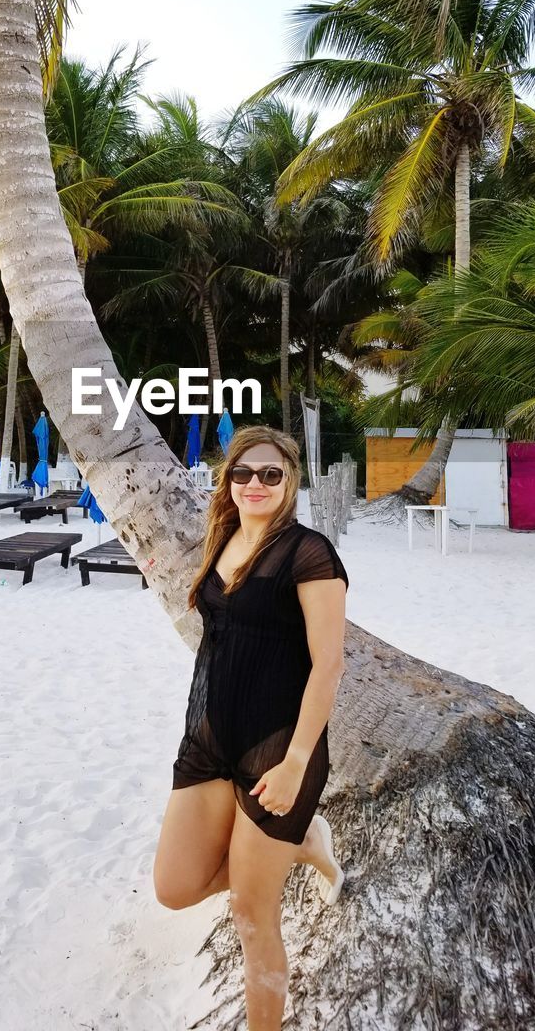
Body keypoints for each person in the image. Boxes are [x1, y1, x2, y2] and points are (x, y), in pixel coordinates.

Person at [153, 425, 348, 1030]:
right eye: (244, 473)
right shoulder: (225, 539)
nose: (256, 483)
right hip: (212, 739)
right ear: (228, 480)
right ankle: (303, 845)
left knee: (251, 914)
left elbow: (329, 664)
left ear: (290, 480)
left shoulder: (309, 553)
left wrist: (294, 764)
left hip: (279, 748)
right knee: (175, 887)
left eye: (271, 473)